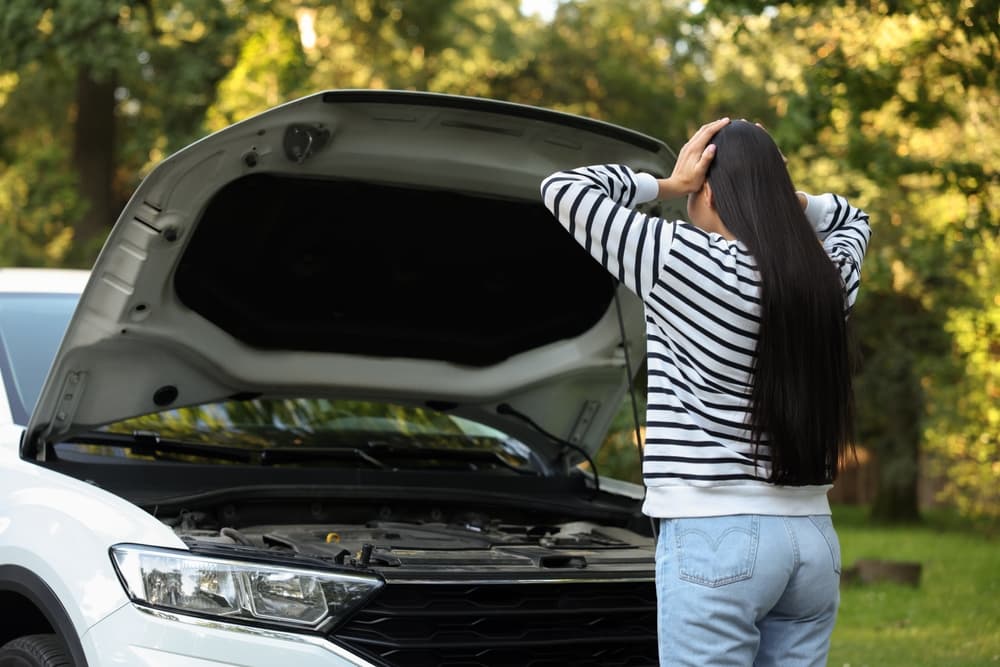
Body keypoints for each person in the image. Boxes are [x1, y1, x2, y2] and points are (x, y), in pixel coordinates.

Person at [540, 118, 872, 667]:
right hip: (812, 540)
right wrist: (786, 197)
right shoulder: (825, 278)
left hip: (717, 539)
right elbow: (854, 218)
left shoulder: (683, 260)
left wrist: (667, 185)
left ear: (709, 188)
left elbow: (564, 190)